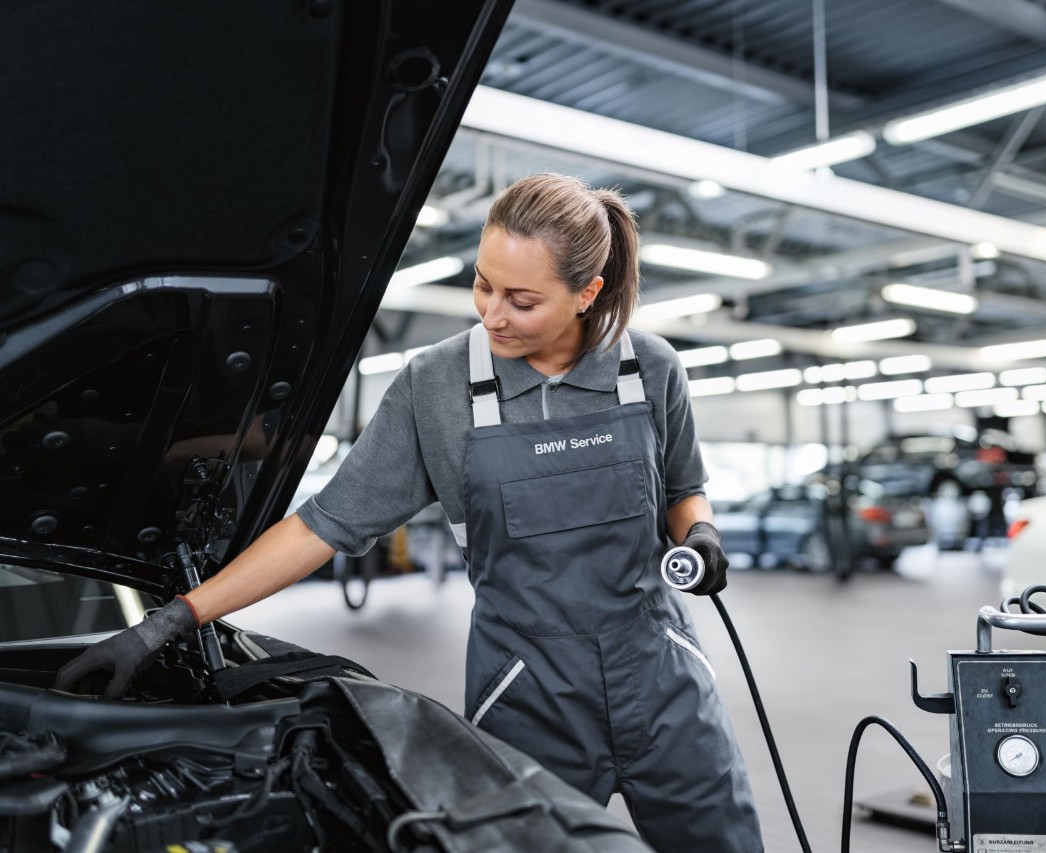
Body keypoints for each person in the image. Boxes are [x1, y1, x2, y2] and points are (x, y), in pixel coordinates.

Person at [55, 173, 763, 852]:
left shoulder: (653, 369)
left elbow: (681, 489)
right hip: (530, 692)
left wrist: (697, 530)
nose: (492, 313)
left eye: (522, 299)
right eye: (483, 284)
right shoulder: (436, 387)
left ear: (587, 293)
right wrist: (172, 619)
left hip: (663, 678)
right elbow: (320, 524)